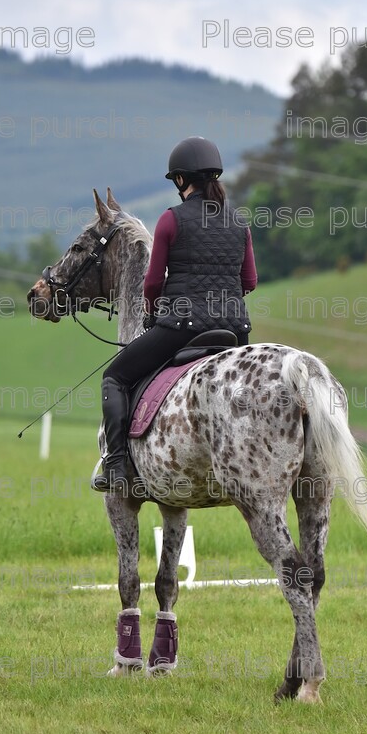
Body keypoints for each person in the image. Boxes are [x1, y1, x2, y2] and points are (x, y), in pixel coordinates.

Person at [92, 136, 258, 493]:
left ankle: (117, 465)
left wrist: (154, 313)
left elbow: (151, 284)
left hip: (183, 326)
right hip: (236, 332)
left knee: (115, 377)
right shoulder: (239, 222)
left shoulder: (171, 220)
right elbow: (250, 281)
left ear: (181, 179)